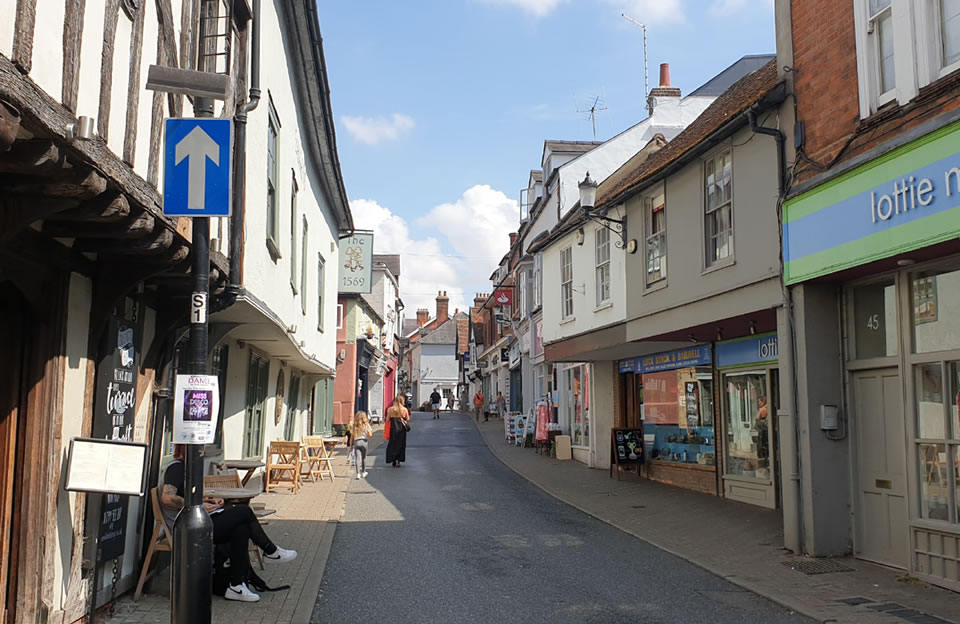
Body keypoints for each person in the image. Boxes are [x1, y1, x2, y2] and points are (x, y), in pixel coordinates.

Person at [160, 445, 297, 602]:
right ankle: (270, 551)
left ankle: (236, 586)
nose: (203, 453)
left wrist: (207, 502)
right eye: (200, 450)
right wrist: (197, 506)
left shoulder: (184, 469)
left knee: (242, 528)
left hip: (198, 522)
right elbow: (167, 498)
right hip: (188, 529)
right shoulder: (176, 468)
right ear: (189, 451)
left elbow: (185, 497)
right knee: (244, 512)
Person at [385, 394, 410, 467]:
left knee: (393, 443)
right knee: (401, 444)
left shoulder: (390, 409)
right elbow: (408, 419)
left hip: (393, 427)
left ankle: (393, 459)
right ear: (402, 401)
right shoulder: (404, 409)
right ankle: (399, 461)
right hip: (401, 428)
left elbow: (387, 419)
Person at [350, 411, 373, 479]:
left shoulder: (354, 425)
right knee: (364, 458)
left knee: (357, 458)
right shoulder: (366, 425)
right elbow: (370, 435)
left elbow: (352, 437)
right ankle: (363, 472)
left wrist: (351, 446)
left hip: (356, 442)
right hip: (364, 442)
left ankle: (358, 474)